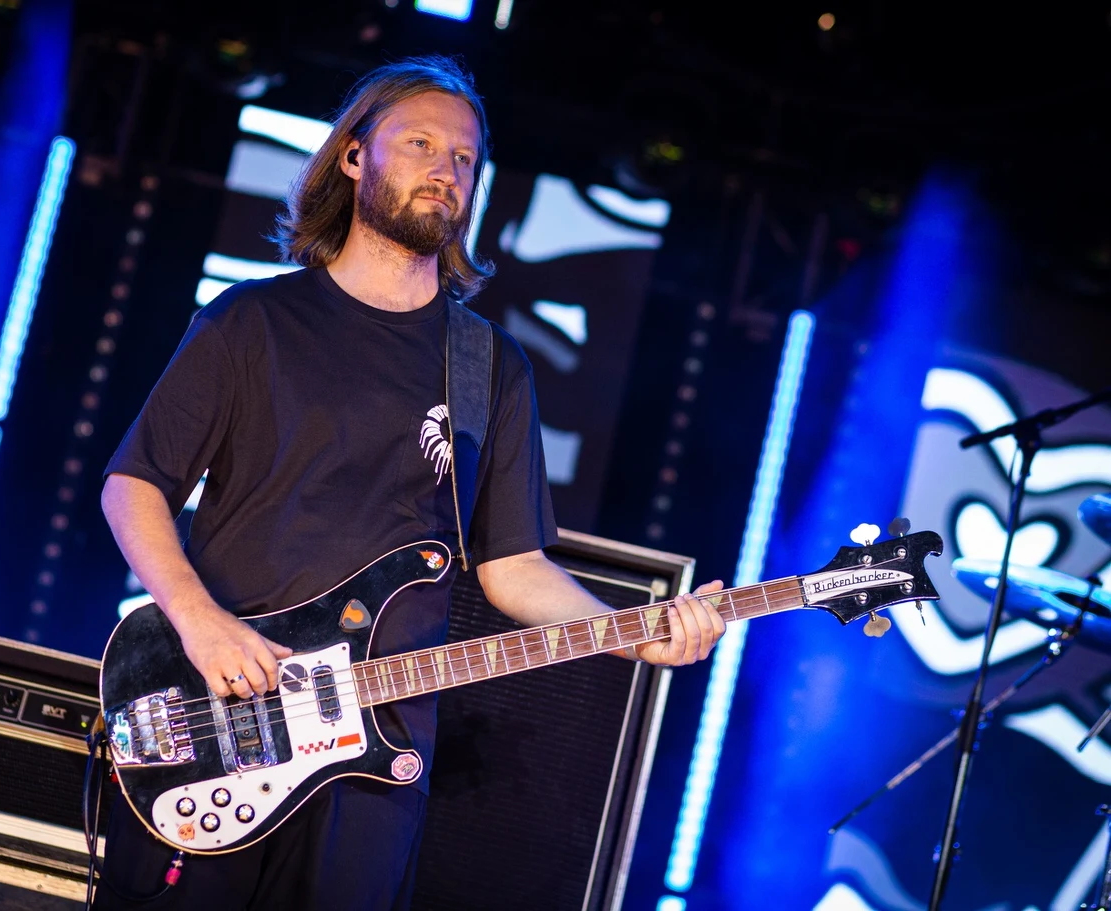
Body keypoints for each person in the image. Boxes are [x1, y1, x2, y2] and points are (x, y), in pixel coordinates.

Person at [94, 55, 727, 911]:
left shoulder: (488, 366)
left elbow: (512, 566)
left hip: (377, 749)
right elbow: (133, 484)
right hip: (223, 710)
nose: (446, 169)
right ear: (354, 156)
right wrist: (200, 622)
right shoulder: (252, 320)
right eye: (422, 143)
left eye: (464, 157)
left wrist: (636, 635)